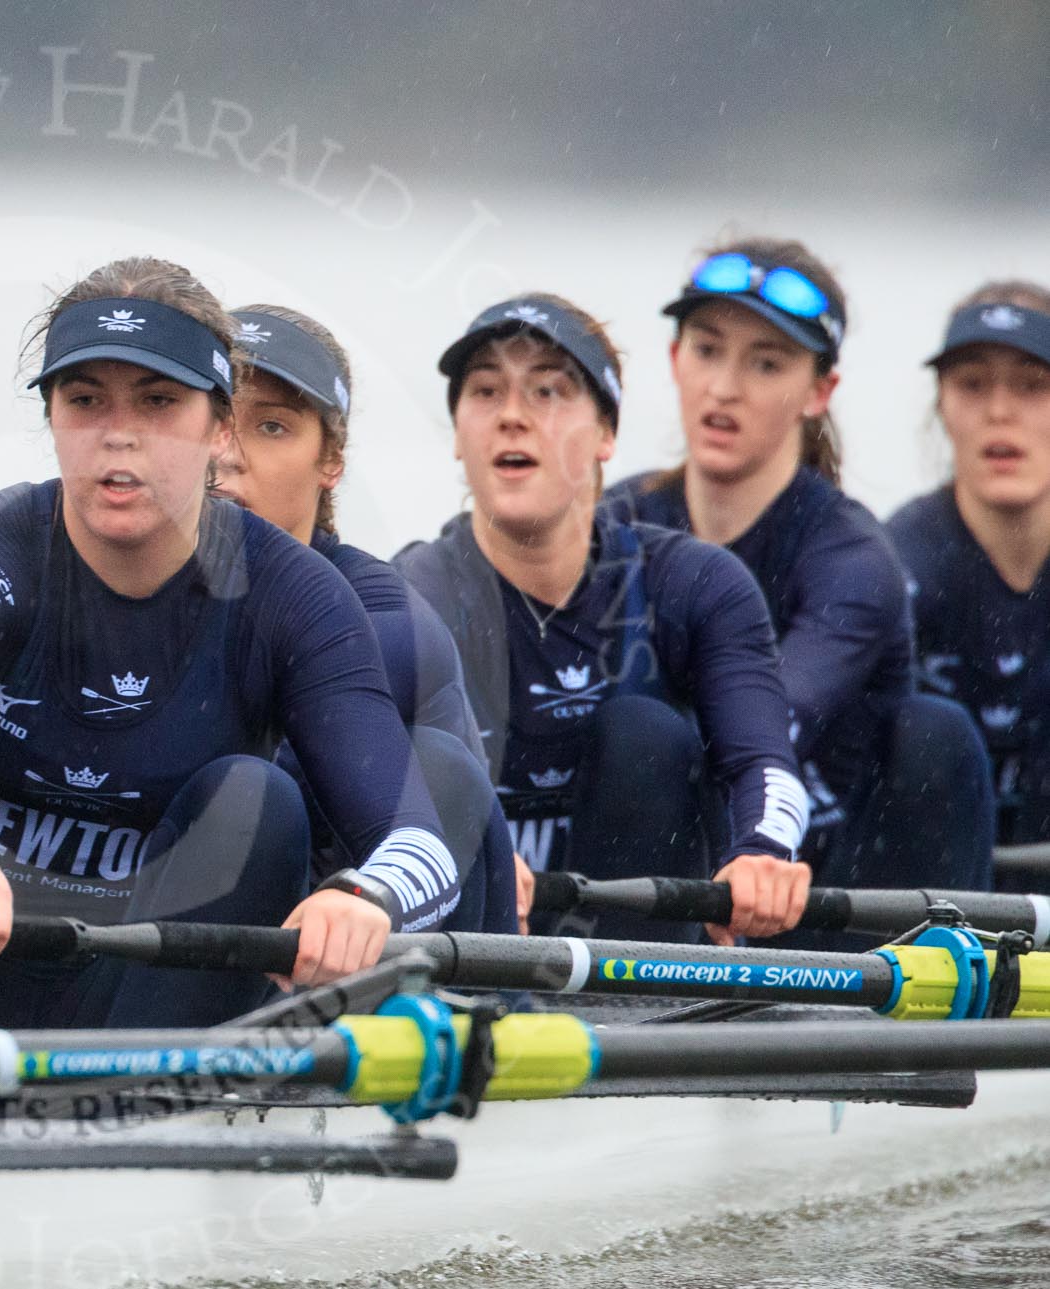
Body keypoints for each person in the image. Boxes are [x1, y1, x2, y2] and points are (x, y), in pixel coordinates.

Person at [0, 257, 464, 1030]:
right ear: (51, 416)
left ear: (219, 428)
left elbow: (423, 847)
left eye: (158, 402)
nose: (119, 435)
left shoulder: (298, 597)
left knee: (257, 801)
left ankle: (142, 1109)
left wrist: (364, 896)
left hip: (152, 1009)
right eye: (85, 401)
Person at [395, 294, 812, 944]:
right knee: (441, 778)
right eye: (485, 392)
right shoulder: (412, 595)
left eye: (547, 392)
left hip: (641, 943)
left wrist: (761, 851)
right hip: (487, 946)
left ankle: (634, 1017)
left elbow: (765, 764)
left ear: (606, 435)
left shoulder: (695, 584)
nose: (511, 416)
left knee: (643, 731)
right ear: (457, 435)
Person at [614, 238, 992, 898]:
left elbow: (764, 724)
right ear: (675, 359)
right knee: (631, 731)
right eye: (707, 350)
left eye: (766, 363)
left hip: (835, 887)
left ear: (820, 391)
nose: (724, 387)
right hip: (679, 873)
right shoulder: (618, 518)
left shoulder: (853, 559)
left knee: (936, 731)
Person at [214, 302, 517, 934]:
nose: (229, 455)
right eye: (215, 418)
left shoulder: (384, 617)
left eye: (271, 427)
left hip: (407, 934)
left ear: (331, 462)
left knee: (253, 789)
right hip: (236, 921)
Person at [888, 282, 1050, 863]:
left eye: (1034, 385)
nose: (999, 411)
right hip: (927, 895)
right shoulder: (896, 566)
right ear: (942, 405)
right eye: (972, 384)